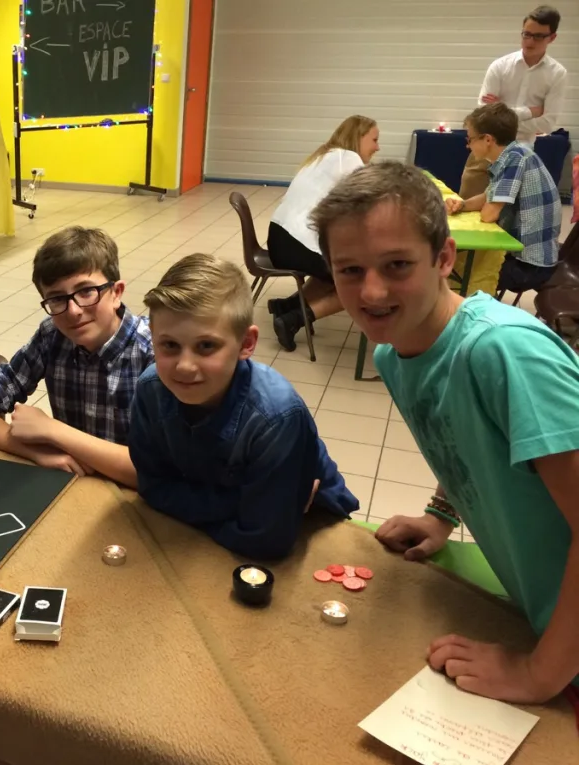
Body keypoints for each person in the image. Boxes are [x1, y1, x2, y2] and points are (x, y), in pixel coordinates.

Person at [312, 160, 579, 704]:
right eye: (350, 270)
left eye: (397, 264)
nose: (372, 291)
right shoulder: (394, 353)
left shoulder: (503, 352)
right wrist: (442, 514)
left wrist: (539, 675)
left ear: (444, 259)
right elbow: (459, 434)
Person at [128, 253, 359, 558]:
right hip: (238, 516)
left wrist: (205, 511)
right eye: (169, 345)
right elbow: (152, 487)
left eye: (206, 346)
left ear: (246, 343)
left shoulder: (276, 416)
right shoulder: (150, 389)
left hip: (313, 522)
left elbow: (268, 539)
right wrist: (240, 501)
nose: (184, 366)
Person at [0, 226, 153, 487]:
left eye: (86, 291)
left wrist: (53, 431)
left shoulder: (155, 352)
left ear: (116, 293)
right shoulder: (52, 335)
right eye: (57, 298)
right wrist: (39, 451)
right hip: (76, 486)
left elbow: (155, 473)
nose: (74, 311)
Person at [267, 115, 381, 351]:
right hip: (298, 242)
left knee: (336, 267)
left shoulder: (324, 155)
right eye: (374, 140)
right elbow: (373, 196)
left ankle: (287, 306)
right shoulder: (348, 158)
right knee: (359, 282)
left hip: (280, 238)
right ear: (357, 138)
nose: (378, 147)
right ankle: (294, 319)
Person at [446, 102, 561, 295]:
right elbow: (488, 196)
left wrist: (483, 207)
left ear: (488, 140)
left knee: (461, 273)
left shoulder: (515, 159)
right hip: (525, 256)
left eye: (470, 139)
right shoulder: (513, 155)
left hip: (530, 264)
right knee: (461, 264)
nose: (468, 145)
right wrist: (462, 205)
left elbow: (489, 214)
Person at [460, 5, 566, 201]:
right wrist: (529, 111)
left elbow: (548, 123)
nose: (530, 41)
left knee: (505, 215)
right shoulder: (500, 66)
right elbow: (483, 114)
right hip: (485, 147)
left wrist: (502, 112)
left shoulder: (557, 74)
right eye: (526, 34)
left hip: (521, 152)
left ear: (552, 38)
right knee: (467, 206)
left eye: (538, 36)